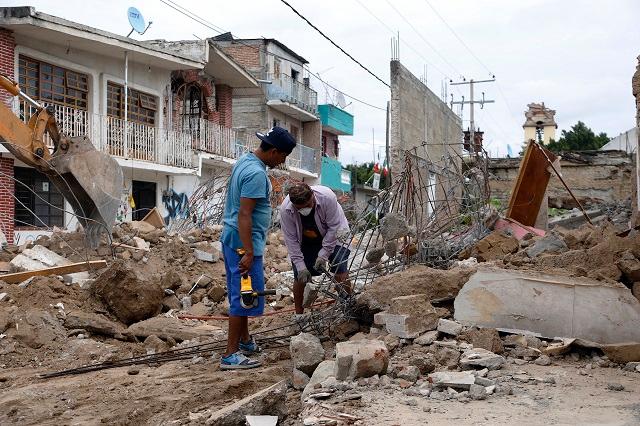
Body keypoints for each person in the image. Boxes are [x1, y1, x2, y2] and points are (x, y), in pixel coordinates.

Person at [220, 126, 296, 370]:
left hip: (236, 239)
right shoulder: (255, 174)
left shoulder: (245, 161)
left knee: (246, 295)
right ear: (274, 151)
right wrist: (249, 251)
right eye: (283, 156)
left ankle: (244, 341)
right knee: (242, 297)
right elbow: (245, 214)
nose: (283, 162)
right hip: (243, 244)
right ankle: (230, 355)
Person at [279, 183, 351, 317]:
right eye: (301, 208)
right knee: (300, 277)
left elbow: (334, 227)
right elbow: (291, 240)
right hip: (307, 238)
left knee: (339, 268)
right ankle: (299, 315)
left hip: (336, 234)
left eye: (308, 205)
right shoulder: (286, 210)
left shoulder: (327, 197)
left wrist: (323, 255)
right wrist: (300, 267)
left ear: (313, 195)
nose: (305, 209)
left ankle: (348, 304)